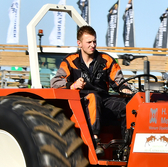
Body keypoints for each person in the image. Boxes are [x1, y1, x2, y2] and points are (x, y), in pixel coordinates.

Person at [51, 25, 133, 156]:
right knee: (92, 97)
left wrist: (125, 88)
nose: (92, 45)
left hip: (103, 100)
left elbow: (119, 81)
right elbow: (55, 83)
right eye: (89, 42)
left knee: (128, 105)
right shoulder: (70, 61)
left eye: (94, 41)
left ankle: (127, 146)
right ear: (79, 44)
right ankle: (95, 141)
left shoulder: (106, 60)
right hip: (80, 102)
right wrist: (72, 85)